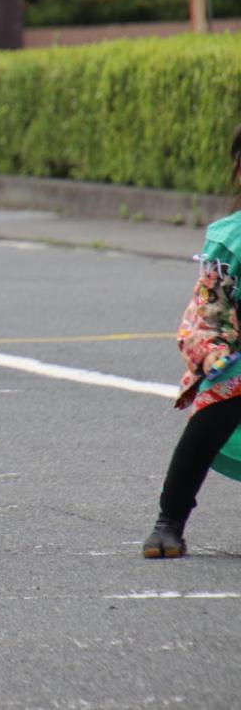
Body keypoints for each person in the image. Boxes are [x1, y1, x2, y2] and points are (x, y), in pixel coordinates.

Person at [143, 126, 241, 559]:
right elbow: (212, 308)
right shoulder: (230, 238)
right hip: (237, 352)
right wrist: (215, 351)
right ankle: (169, 521)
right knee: (212, 415)